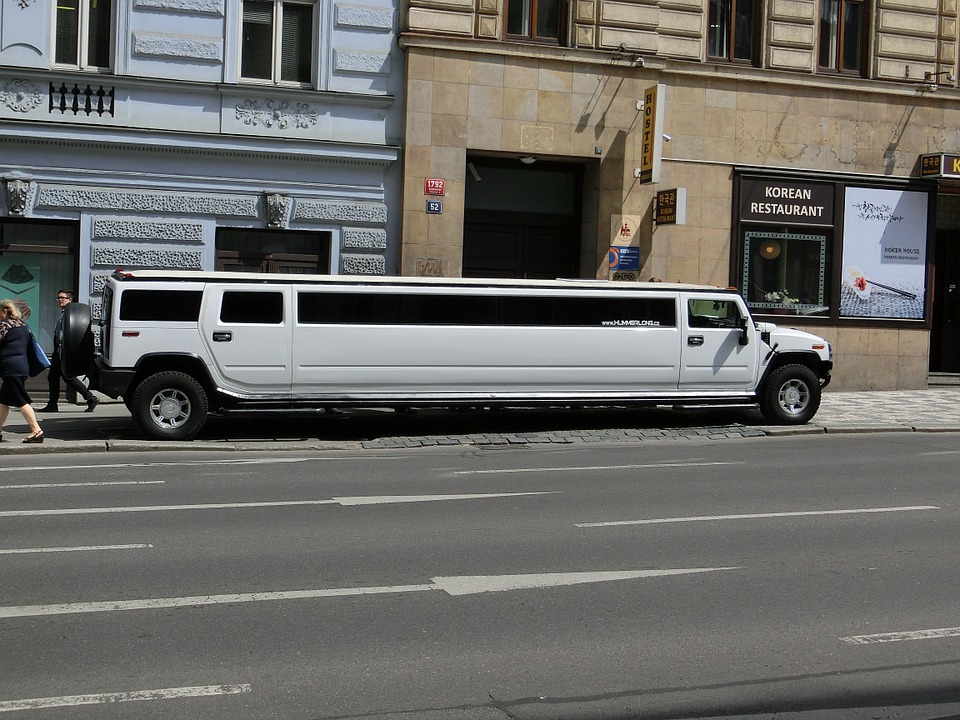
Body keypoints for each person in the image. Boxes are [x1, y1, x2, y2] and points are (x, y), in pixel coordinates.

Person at [38, 290, 98, 413]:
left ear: (69, 300)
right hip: (59, 351)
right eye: (58, 298)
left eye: (62, 298)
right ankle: (53, 404)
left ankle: (90, 398)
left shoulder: (71, 316)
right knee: (56, 377)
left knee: (66, 377)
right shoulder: (64, 315)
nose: (59, 300)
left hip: (63, 352)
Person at [0, 299, 44, 443]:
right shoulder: (23, 326)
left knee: (21, 400)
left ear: (5, 311)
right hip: (21, 367)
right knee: (4, 400)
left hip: (10, 368)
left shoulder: (4, 325)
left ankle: (36, 430)